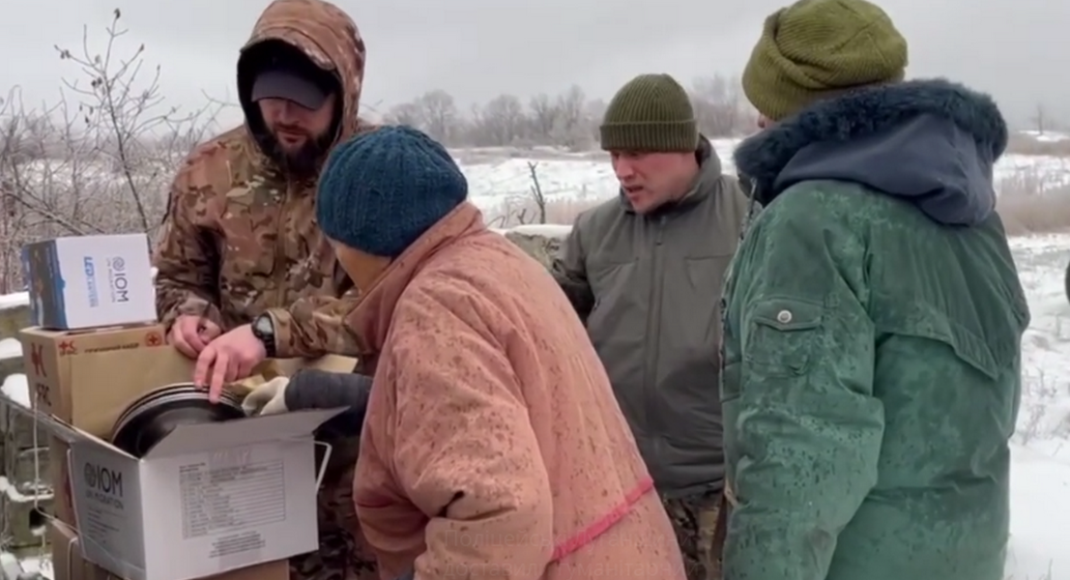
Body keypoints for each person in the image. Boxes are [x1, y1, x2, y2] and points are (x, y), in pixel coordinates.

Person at [276, 124, 687, 580]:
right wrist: (346, 400)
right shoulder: (500, 264)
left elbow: (497, 519)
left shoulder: (435, 308)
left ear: (353, 239)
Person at [719, 1, 1030, 579]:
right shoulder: (970, 211)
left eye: (765, 102)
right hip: (965, 554)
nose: (757, 118)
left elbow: (801, 458)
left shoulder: (811, 220)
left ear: (790, 110)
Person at [151, 1, 377, 579]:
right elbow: (180, 276)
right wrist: (190, 314)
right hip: (242, 433)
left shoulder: (378, 172)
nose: (284, 116)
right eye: (271, 99)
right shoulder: (209, 170)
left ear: (343, 92)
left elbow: (395, 299)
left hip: (359, 440)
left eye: (304, 103)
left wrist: (268, 332)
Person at [551, 73, 750, 580]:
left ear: (684, 147)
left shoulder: (750, 218)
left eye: (637, 153)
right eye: (614, 155)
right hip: (620, 482)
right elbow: (549, 327)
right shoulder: (594, 231)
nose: (623, 170)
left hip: (721, 488)